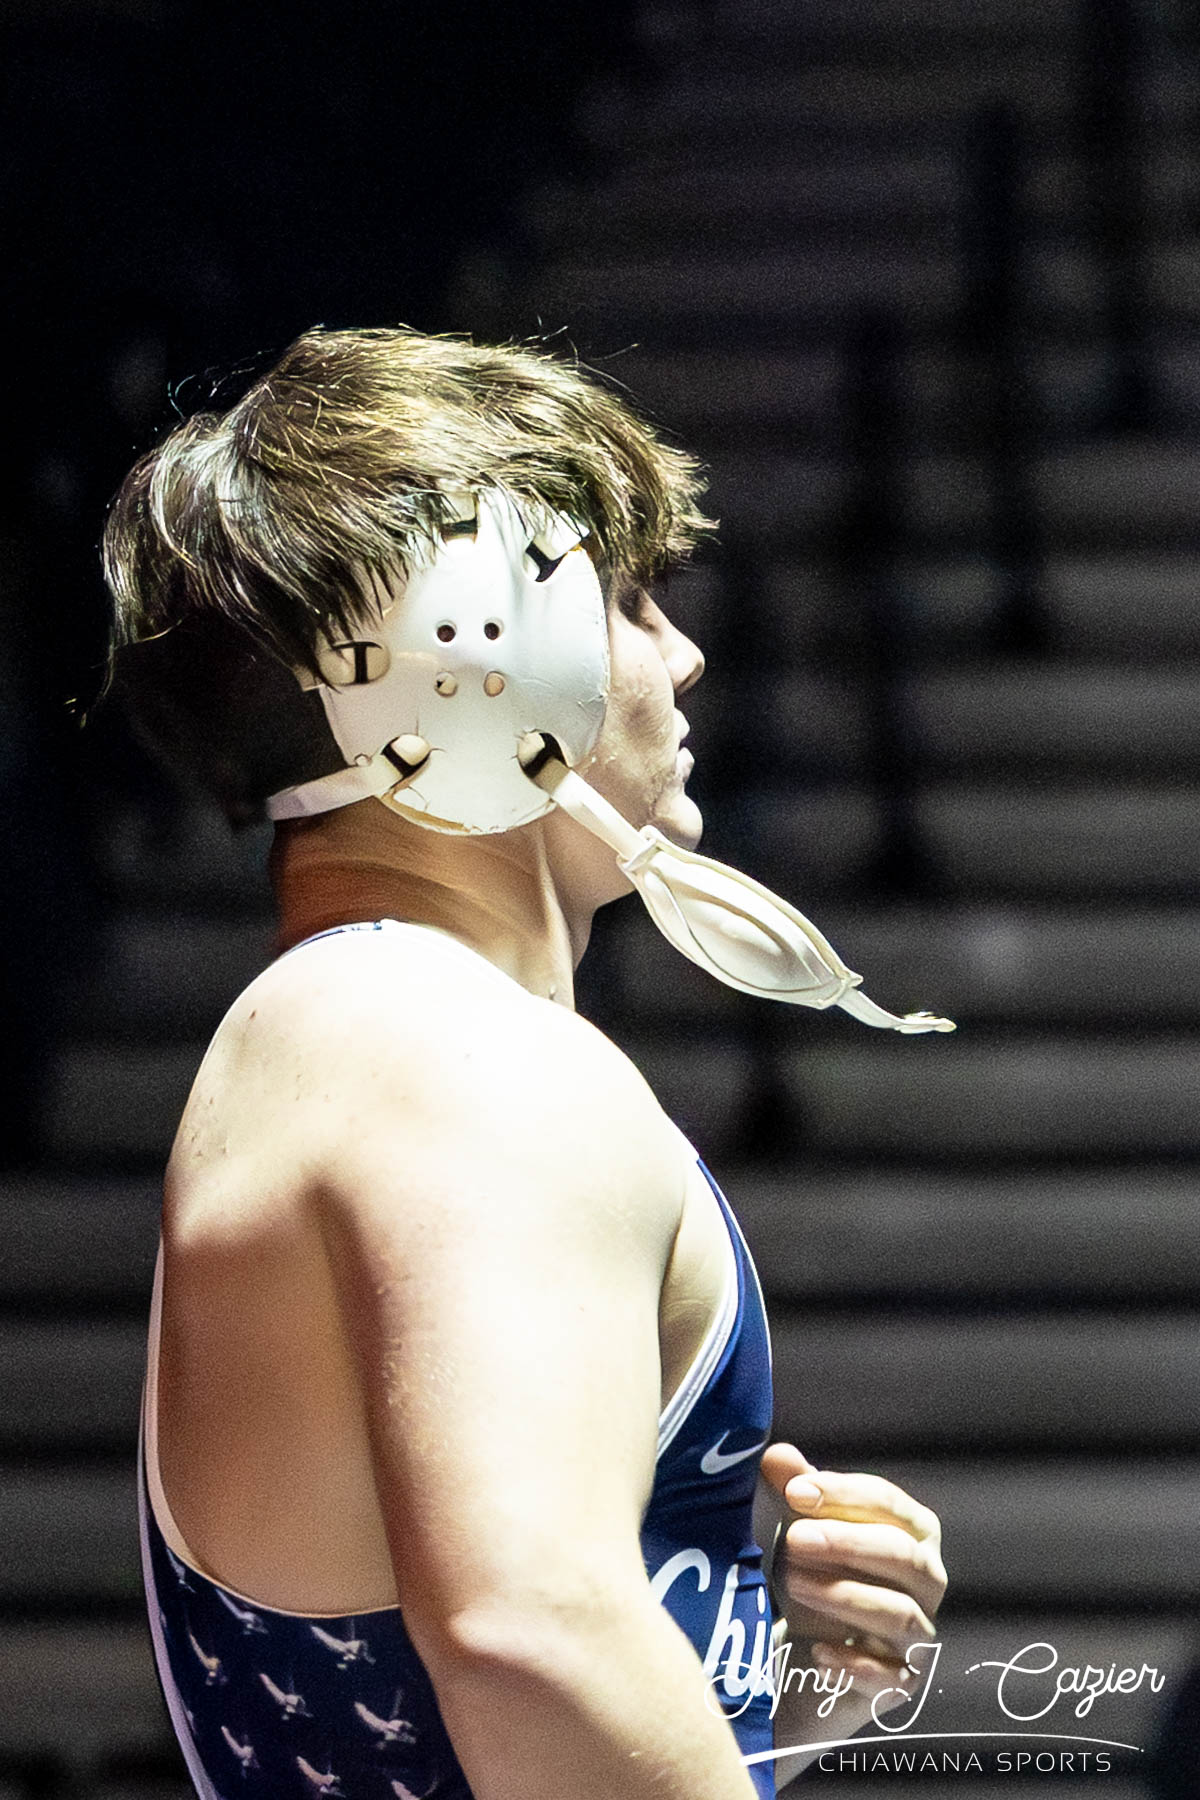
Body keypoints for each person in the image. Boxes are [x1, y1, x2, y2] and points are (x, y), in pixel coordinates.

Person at [104, 326, 948, 1800]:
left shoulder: (336, 1038)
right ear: (472, 658)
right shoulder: (447, 1053)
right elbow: (527, 1637)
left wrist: (786, 1700)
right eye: (628, 597)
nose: (684, 655)